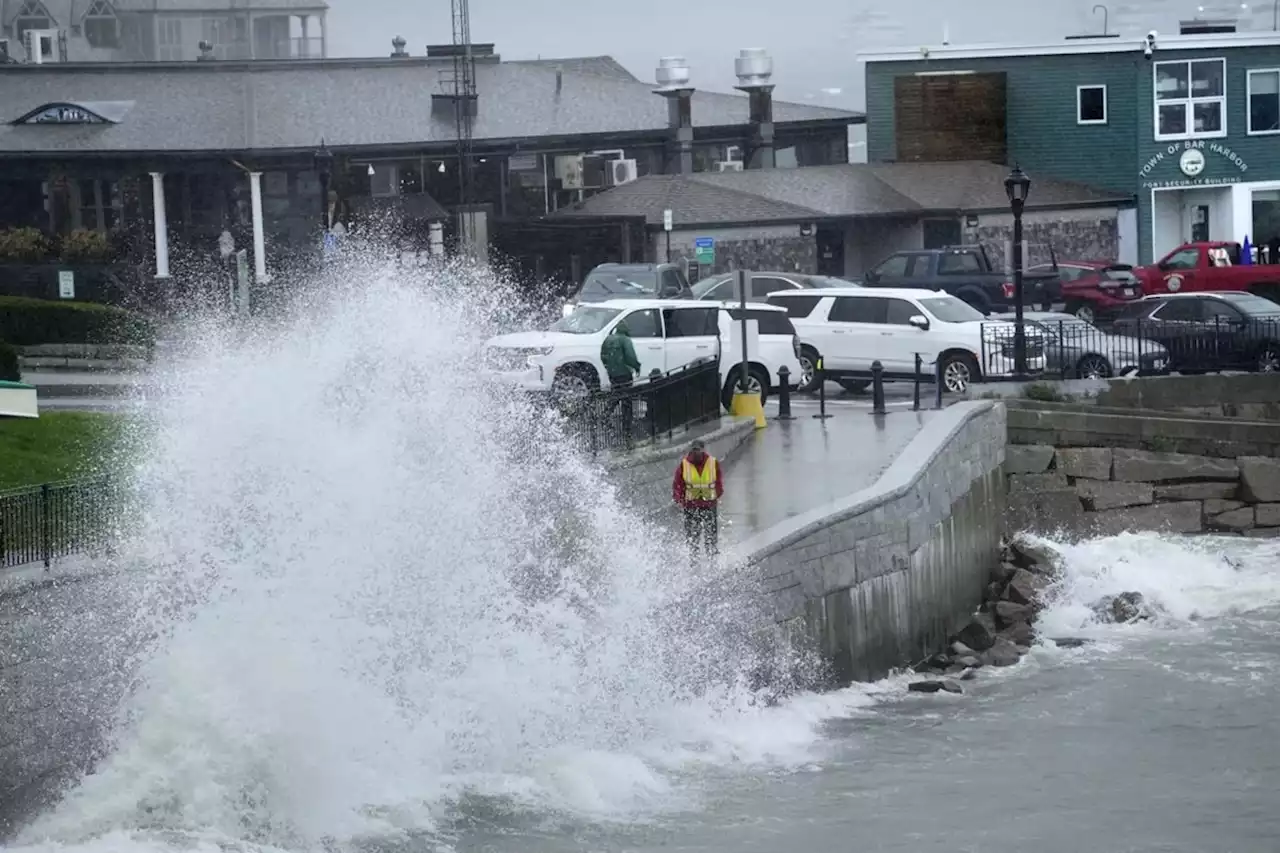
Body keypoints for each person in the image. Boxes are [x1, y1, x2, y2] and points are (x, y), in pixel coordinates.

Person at [672, 438, 724, 561]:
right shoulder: (684, 464)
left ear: (702, 450)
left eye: (698, 450)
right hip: (691, 506)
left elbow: (718, 481)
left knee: (710, 534)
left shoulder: (712, 462)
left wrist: (716, 494)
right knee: (692, 536)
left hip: (709, 505)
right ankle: (693, 558)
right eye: (694, 450)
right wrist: (679, 500)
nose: (696, 453)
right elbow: (677, 484)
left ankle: (712, 557)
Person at [600, 321, 640, 389]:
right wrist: (637, 367)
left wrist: (608, 367)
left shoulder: (608, 339)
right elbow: (630, 356)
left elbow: (603, 356)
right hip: (624, 373)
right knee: (626, 392)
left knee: (616, 392)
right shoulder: (625, 340)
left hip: (612, 374)